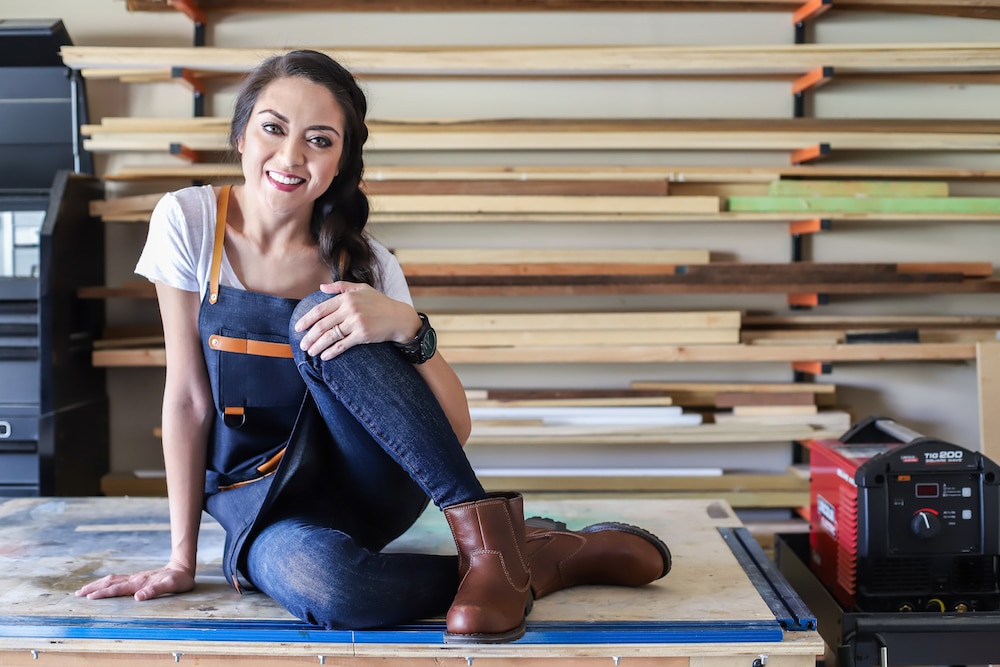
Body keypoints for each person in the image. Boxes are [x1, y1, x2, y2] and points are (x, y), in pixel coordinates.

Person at [75, 49, 672, 644]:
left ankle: (488, 547)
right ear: (240, 134)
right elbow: (186, 398)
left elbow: (452, 430)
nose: (290, 156)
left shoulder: (367, 265)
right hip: (262, 507)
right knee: (335, 590)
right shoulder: (189, 221)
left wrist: (410, 328)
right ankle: (526, 562)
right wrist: (181, 560)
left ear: (341, 162)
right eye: (273, 129)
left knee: (327, 310)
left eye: (319, 140)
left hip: (369, 486)